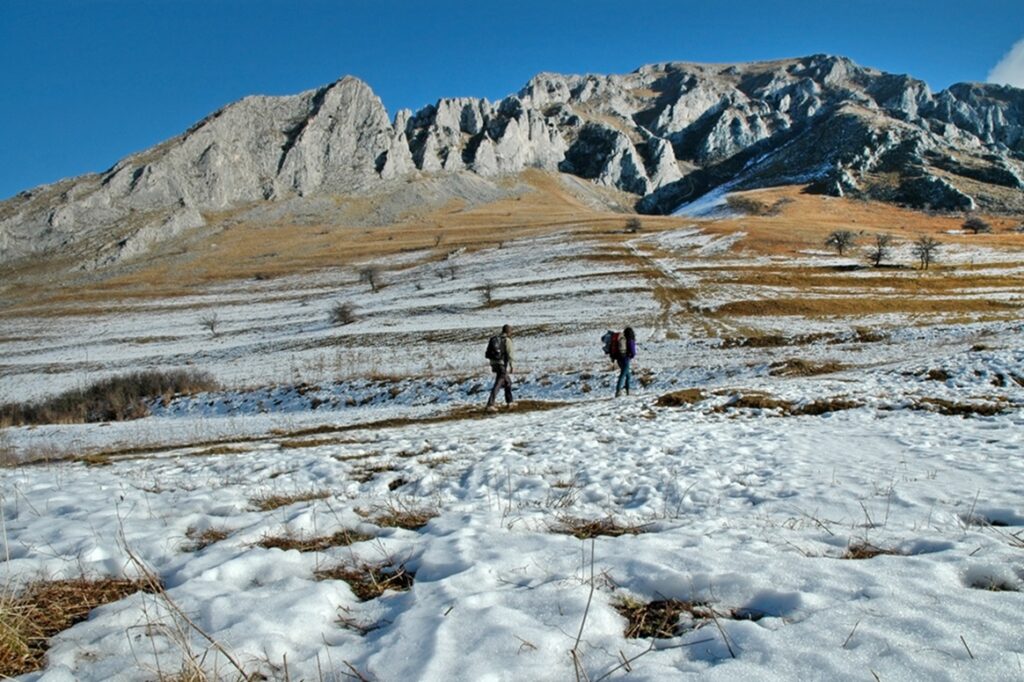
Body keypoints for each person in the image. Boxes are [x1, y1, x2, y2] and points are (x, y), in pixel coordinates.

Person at [486, 324, 515, 410]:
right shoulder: (507, 340)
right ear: (509, 331)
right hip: (501, 364)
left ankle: (510, 402)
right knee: (498, 384)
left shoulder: (496, 339)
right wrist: (512, 365)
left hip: (494, 363)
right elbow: (511, 354)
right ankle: (490, 404)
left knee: (508, 382)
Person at [615, 327, 637, 397]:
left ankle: (628, 390)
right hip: (626, 359)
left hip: (619, 358)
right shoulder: (630, 340)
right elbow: (633, 351)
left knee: (628, 375)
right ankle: (618, 391)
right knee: (623, 375)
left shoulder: (622, 339)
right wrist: (632, 356)